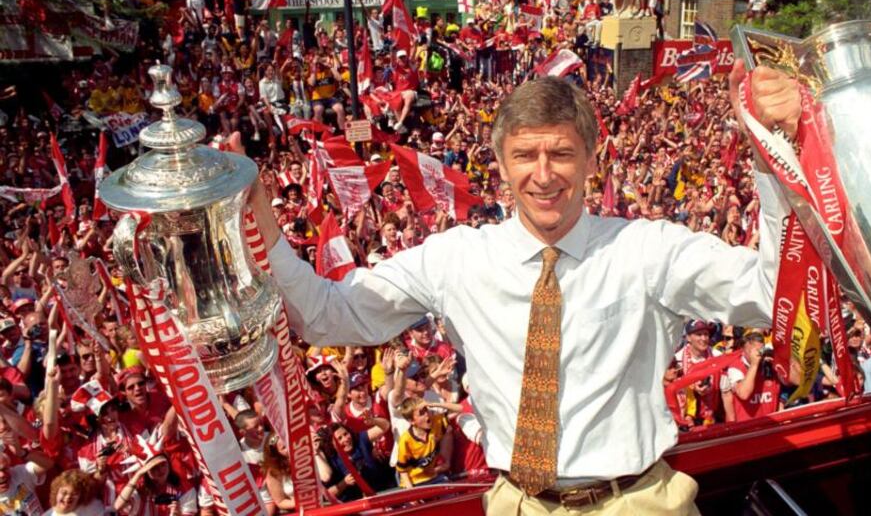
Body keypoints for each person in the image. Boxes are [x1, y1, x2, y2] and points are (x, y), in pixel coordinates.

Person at [239, 62, 802, 514]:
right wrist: (260, 219)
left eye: (560, 153)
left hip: (638, 502)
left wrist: (773, 153)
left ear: (591, 160)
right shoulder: (456, 259)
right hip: (517, 504)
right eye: (524, 155)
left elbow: (769, 291)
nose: (543, 173)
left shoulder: (647, 250)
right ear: (501, 166)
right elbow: (326, 316)